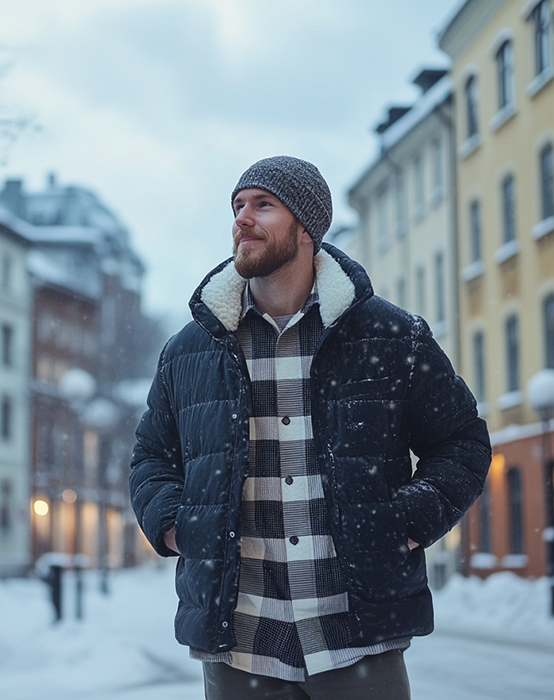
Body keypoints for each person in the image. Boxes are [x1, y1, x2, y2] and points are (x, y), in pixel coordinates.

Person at [130, 156, 491, 700]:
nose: (243, 219)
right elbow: (151, 457)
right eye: (238, 206)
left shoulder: (390, 337)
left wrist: (409, 520)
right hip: (241, 643)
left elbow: (462, 441)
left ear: (306, 229)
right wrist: (175, 528)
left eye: (263, 205)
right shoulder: (190, 351)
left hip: (356, 638)